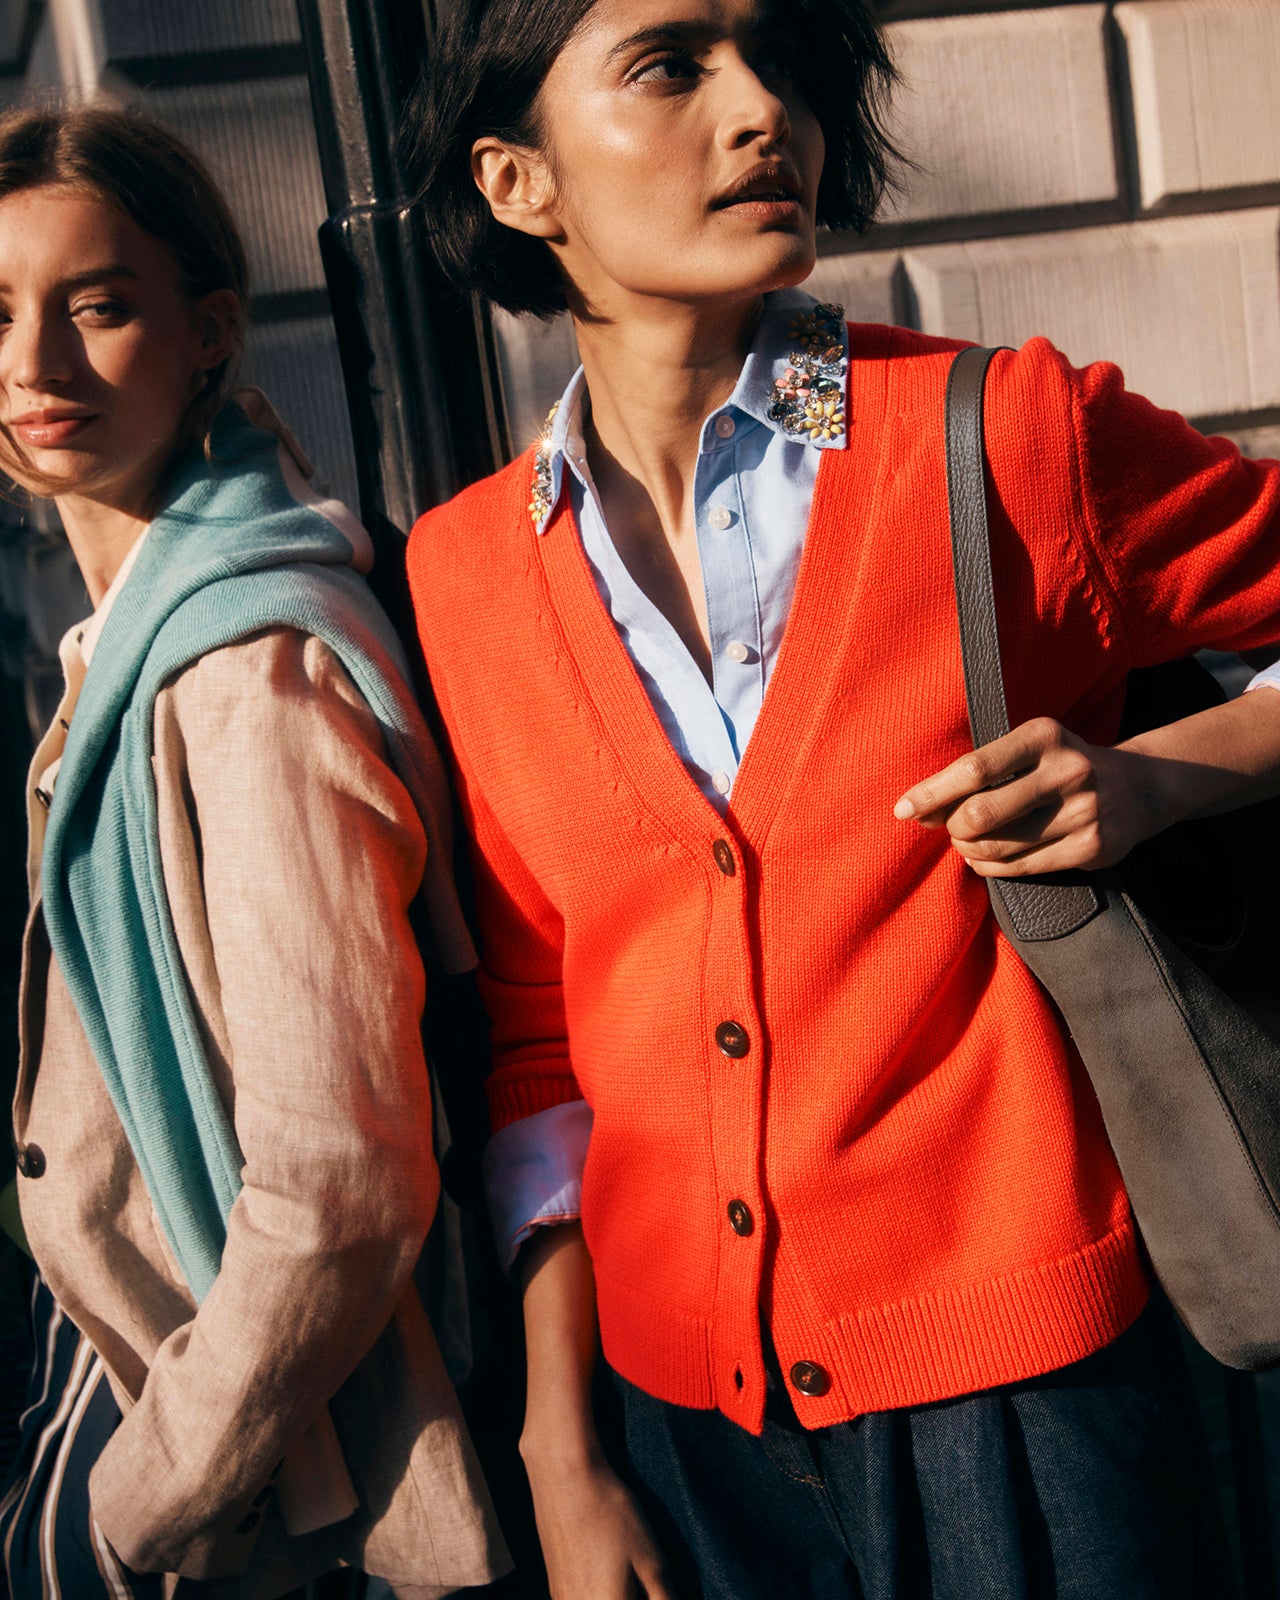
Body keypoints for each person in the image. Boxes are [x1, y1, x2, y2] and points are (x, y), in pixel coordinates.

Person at [404, 2, 1280, 1596]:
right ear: (520, 182)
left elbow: (842, 436)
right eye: (671, 65)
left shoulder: (987, 438)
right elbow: (542, 1031)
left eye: (776, 59)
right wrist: (563, 1447)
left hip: (1030, 1394)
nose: (763, 111)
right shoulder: (471, 570)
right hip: (688, 1429)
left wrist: (1164, 775)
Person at [0, 105, 509, 1598]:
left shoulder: (247, 673)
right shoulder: (141, 637)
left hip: (263, 1486)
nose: (34, 367)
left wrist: (132, 1508)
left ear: (211, 331)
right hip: (163, 1389)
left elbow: (340, 1185)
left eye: (98, 308)